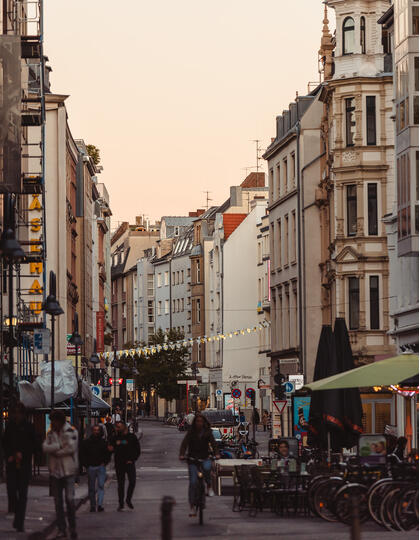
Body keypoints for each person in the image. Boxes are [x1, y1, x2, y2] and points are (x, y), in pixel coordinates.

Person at [2, 402, 40, 533]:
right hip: (12, 464)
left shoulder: (29, 427)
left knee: (22, 494)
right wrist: (10, 455)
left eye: (19, 412)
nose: (17, 415)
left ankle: (19, 521)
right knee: (12, 490)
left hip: (24, 465)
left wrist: (23, 454)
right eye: (15, 412)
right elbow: (5, 442)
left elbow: (34, 445)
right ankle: (15, 512)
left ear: (23, 414)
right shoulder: (10, 426)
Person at [43, 410, 79, 540]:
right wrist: (58, 446)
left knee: (70, 500)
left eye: (54, 421)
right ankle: (62, 529)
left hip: (68, 471)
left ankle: (72, 528)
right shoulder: (51, 434)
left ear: (60, 421)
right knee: (57, 503)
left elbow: (71, 448)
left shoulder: (71, 431)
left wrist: (55, 450)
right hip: (55, 472)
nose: (53, 423)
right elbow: (45, 447)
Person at [179, 413, 220, 517]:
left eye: (201, 421)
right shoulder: (191, 433)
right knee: (193, 482)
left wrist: (216, 453)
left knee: (207, 468)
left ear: (204, 422)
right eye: (197, 421)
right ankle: (192, 507)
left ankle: (209, 486)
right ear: (194, 422)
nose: (199, 423)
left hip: (204, 457)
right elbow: (184, 444)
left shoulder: (207, 432)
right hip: (193, 459)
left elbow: (214, 444)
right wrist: (182, 454)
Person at [108, 420, 140, 511]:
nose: (117, 429)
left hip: (129, 463)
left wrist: (132, 459)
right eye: (116, 427)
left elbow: (137, 450)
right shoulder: (114, 438)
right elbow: (110, 448)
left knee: (132, 481)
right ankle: (121, 503)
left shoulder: (132, 437)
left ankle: (128, 499)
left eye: (119, 427)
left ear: (124, 427)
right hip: (119, 463)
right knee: (120, 484)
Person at [80, 425, 110, 512]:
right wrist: (86, 465)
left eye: (98, 430)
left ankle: (99, 504)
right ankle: (93, 505)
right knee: (91, 488)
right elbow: (82, 454)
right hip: (91, 467)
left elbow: (107, 454)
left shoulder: (103, 442)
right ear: (92, 431)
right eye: (95, 430)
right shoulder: (86, 442)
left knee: (101, 486)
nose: (96, 432)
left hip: (101, 467)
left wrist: (104, 462)